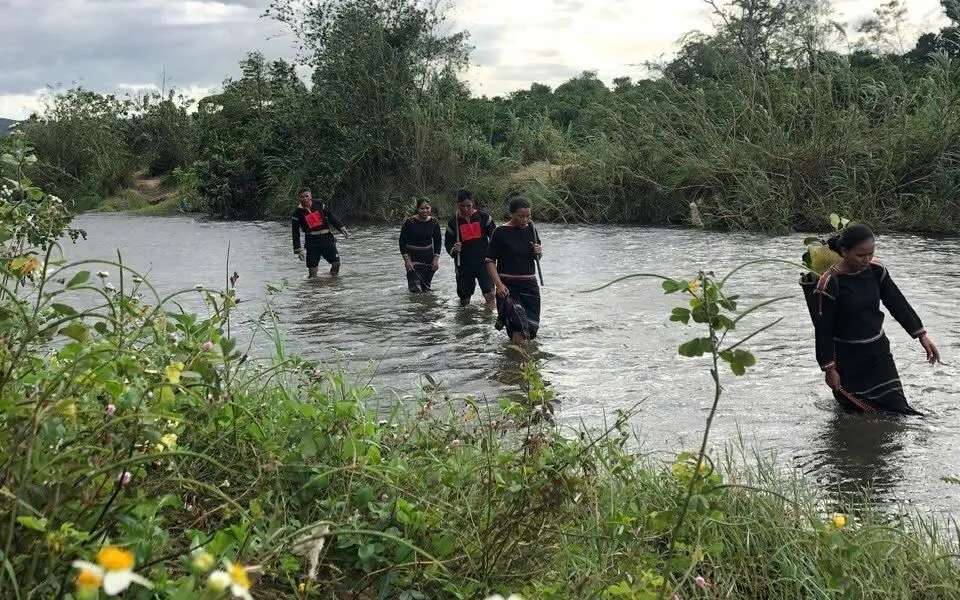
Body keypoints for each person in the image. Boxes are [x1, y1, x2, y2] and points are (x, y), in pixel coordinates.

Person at [811, 223, 939, 414]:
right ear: (844, 252)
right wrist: (829, 370)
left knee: (899, 409)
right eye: (861, 255)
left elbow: (898, 303)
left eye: (870, 253)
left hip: (878, 353)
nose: (867, 259)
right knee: (855, 412)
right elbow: (823, 330)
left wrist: (922, 335)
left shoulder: (876, 270)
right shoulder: (829, 283)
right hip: (848, 359)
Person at [486, 196, 542, 345]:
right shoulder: (500, 232)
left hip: (530, 286)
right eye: (520, 216)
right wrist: (499, 285)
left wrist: (539, 251)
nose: (525, 220)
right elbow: (490, 261)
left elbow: (537, 257)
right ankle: (520, 363)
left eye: (528, 216)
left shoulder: (531, 229)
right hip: (509, 286)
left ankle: (517, 361)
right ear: (511, 214)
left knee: (530, 328)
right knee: (518, 324)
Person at [445, 189, 496, 307]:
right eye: (463, 206)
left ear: (473, 203)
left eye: (469, 206)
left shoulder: (484, 217)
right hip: (463, 264)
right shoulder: (454, 222)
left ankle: (488, 321)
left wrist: (494, 255)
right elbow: (448, 243)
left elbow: (494, 238)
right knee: (464, 299)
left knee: (490, 295)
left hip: (484, 262)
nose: (466, 209)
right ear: (458, 205)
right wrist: (453, 249)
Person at [291, 187, 348, 278]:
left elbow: (330, 216)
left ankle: (333, 282)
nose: (305, 198)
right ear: (299, 198)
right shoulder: (297, 213)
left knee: (336, 263)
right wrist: (299, 250)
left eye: (307, 196)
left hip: (327, 239)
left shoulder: (319, 204)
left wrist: (341, 227)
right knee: (313, 272)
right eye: (302, 197)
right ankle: (314, 289)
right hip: (312, 242)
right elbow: (295, 233)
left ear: (311, 196)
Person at [399, 199, 442, 293]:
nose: (425, 210)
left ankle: (425, 308)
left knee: (426, 289)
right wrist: (407, 261)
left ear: (431, 208)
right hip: (413, 260)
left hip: (428, 260)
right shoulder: (410, 222)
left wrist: (436, 259)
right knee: (415, 290)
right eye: (422, 208)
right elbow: (402, 242)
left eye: (427, 208)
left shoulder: (434, 222)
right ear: (417, 209)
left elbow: (438, 241)